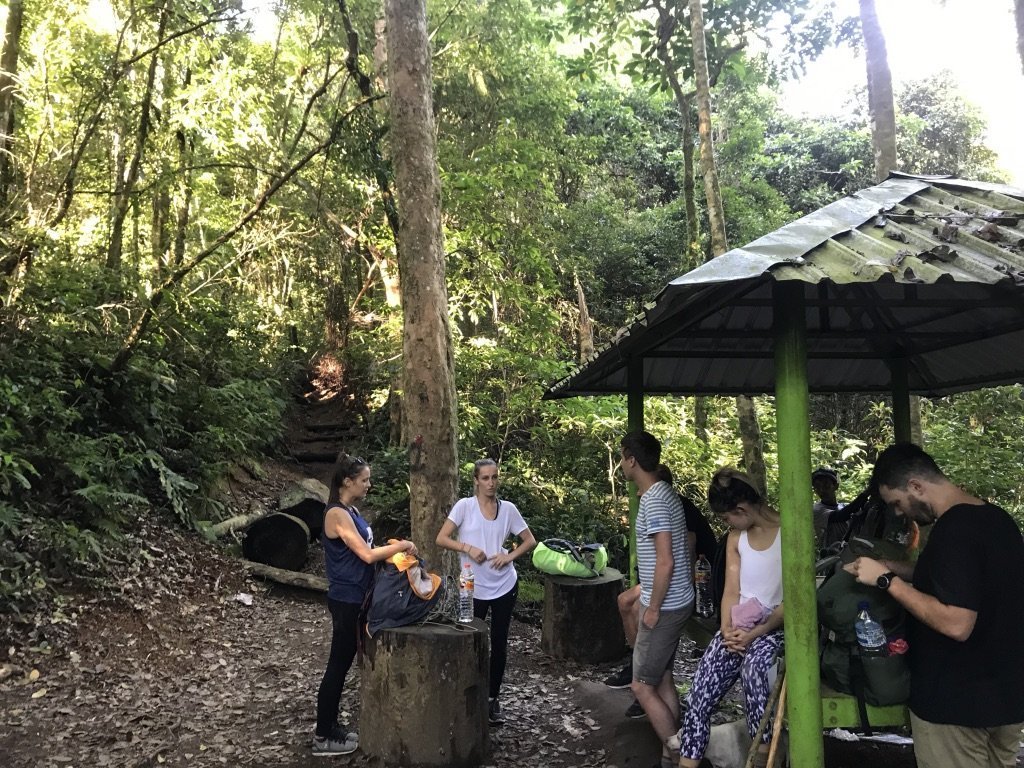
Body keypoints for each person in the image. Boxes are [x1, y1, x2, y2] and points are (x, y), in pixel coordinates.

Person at [844, 443, 1024, 768]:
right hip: (1006, 701)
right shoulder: (997, 521)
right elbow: (963, 582)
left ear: (916, 486)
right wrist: (891, 566)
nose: (899, 513)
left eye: (897, 503)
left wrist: (887, 581)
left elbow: (957, 623)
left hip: (957, 710)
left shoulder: (953, 531)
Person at [675, 467, 784, 768]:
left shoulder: (789, 531)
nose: (726, 524)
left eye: (726, 517)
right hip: (737, 627)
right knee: (699, 694)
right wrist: (726, 628)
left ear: (741, 508)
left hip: (775, 628)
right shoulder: (737, 537)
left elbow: (795, 600)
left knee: (755, 674)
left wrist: (755, 633)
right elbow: (731, 590)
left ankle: (763, 756)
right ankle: (688, 761)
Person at [314, 454, 419, 756]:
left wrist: (396, 553)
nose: (369, 485)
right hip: (346, 599)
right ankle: (323, 736)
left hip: (360, 597)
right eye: (364, 480)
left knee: (343, 662)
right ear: (347, 482)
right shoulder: (335, 514)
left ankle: (330, 727)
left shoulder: (352, 510)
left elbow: (371, 549)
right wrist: (401, 545)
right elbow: (367, 555)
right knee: (338, 664)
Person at [605, 464, 716, 722]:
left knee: (643, 684)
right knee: (626, 602)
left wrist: (661, 602)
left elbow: (684, 553)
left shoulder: (665, 505)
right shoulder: (664, 502)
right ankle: (641, 663)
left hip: (690, 582)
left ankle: (643, 672)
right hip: (671, 583)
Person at [436, 458, 536, 727]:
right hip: (471, 584)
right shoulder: (465, 507)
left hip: (504, 585)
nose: (491, 483)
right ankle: (466, 695)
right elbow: (442, 538)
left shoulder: (508, 510)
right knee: (468, 639)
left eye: (494, 477)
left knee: (499, 644)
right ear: (476, 481)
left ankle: (492, 699)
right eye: (485, 478)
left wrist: (509, 556)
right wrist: (467, 548)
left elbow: (530, 540)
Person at [619, 433, 694, 768]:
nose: (622, 465)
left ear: (632, 459)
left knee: (640, 686)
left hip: (665, 606)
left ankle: (679, 749)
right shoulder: (663, 492)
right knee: (662, 677)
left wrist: (651, 609)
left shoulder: (654, 501)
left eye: (623, 458)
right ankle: (670, 753)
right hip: (674, 601)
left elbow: (666, 561)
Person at [811, 466, 848, 555]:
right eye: (817, 487)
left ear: (836, 486)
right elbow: (840, 516)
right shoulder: (816, 510)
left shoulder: (843, 507)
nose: (822, 490)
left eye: (826, 486)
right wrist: (864, 495)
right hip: (831, 561)